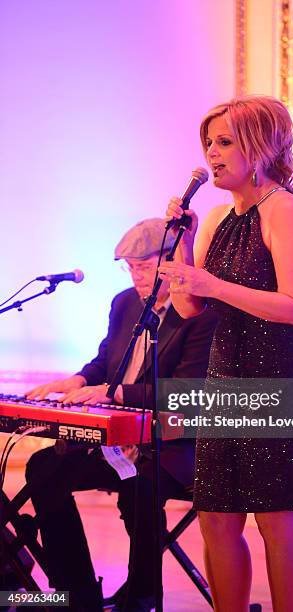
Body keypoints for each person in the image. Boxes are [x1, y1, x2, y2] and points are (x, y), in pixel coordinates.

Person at [159, 96, 293, 612]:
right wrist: (186, 247)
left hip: (283, 374)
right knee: (216, 516)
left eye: (225, 142)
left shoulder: (285, 210)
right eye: (208, 143)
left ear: (260, 146)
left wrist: (210, 280)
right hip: (227, 373)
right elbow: (190, 307)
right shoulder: (217, 218)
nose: (212, 153)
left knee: (277, 519)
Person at [25, 218, 217, 612]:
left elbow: (186, 394)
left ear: (170, 262)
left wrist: (113, 394)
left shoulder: (199, 314)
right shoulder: (124, 303)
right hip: (118, 442)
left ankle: (143, 594)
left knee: (139, 486)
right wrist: (75, 380)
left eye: (144, 267)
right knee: (43, 468)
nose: (136, 277)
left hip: (174, 446)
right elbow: (105, 362)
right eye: (130, 268)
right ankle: (77, 594)